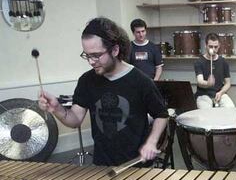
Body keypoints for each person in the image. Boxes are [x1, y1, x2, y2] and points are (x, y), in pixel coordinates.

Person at [39, 17, 168, 166]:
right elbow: (74, 119)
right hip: (101, 165)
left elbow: (161, 115)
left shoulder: (141, 81)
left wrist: (151, 142)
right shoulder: (87, 81)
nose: (91, 62)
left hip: (136, 165)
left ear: (115, 50)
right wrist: (56, 109)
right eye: (87, 55)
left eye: (96, 55)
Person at [194, 33, 235, 109]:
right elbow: (200, 81)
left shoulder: (223, 62)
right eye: (210, 46)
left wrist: (221, 92)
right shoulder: (199, 62)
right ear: (206, 45)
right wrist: (207, 83)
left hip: (220, 93)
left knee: (231, 108)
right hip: (203, 95)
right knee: (207, 113)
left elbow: (228, 83)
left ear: (219, 46)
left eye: (215, 47)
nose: (213, 49)